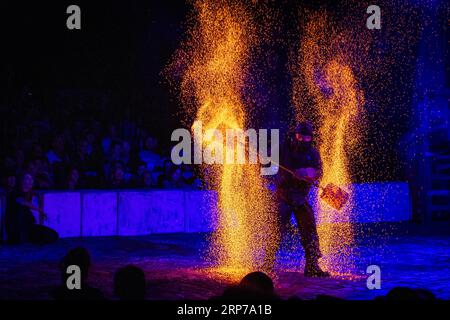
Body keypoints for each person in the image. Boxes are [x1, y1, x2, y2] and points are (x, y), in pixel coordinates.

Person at [274, 121, 329, 277]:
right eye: (300, 136)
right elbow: (270, 162)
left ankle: (312, 266)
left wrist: (309, 172)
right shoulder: (284, 148)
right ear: (295, 135)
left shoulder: (313, 154)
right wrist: (288, 173)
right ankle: (267, 264)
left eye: (306, 138)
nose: (302, 140)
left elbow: (319, 172)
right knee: (275, 231)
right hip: (283, 195)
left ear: (311, 138)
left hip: (300, 197)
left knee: (310, 232)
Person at [5, 173, 58, 244]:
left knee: (53, 235)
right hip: (17, 229)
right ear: (22, 181)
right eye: (27, 179)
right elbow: (22, 202)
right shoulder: (15, 192)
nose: (31, 181)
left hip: (27, 227)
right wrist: (40, 210)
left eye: (31, 179)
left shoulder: (29, 194)